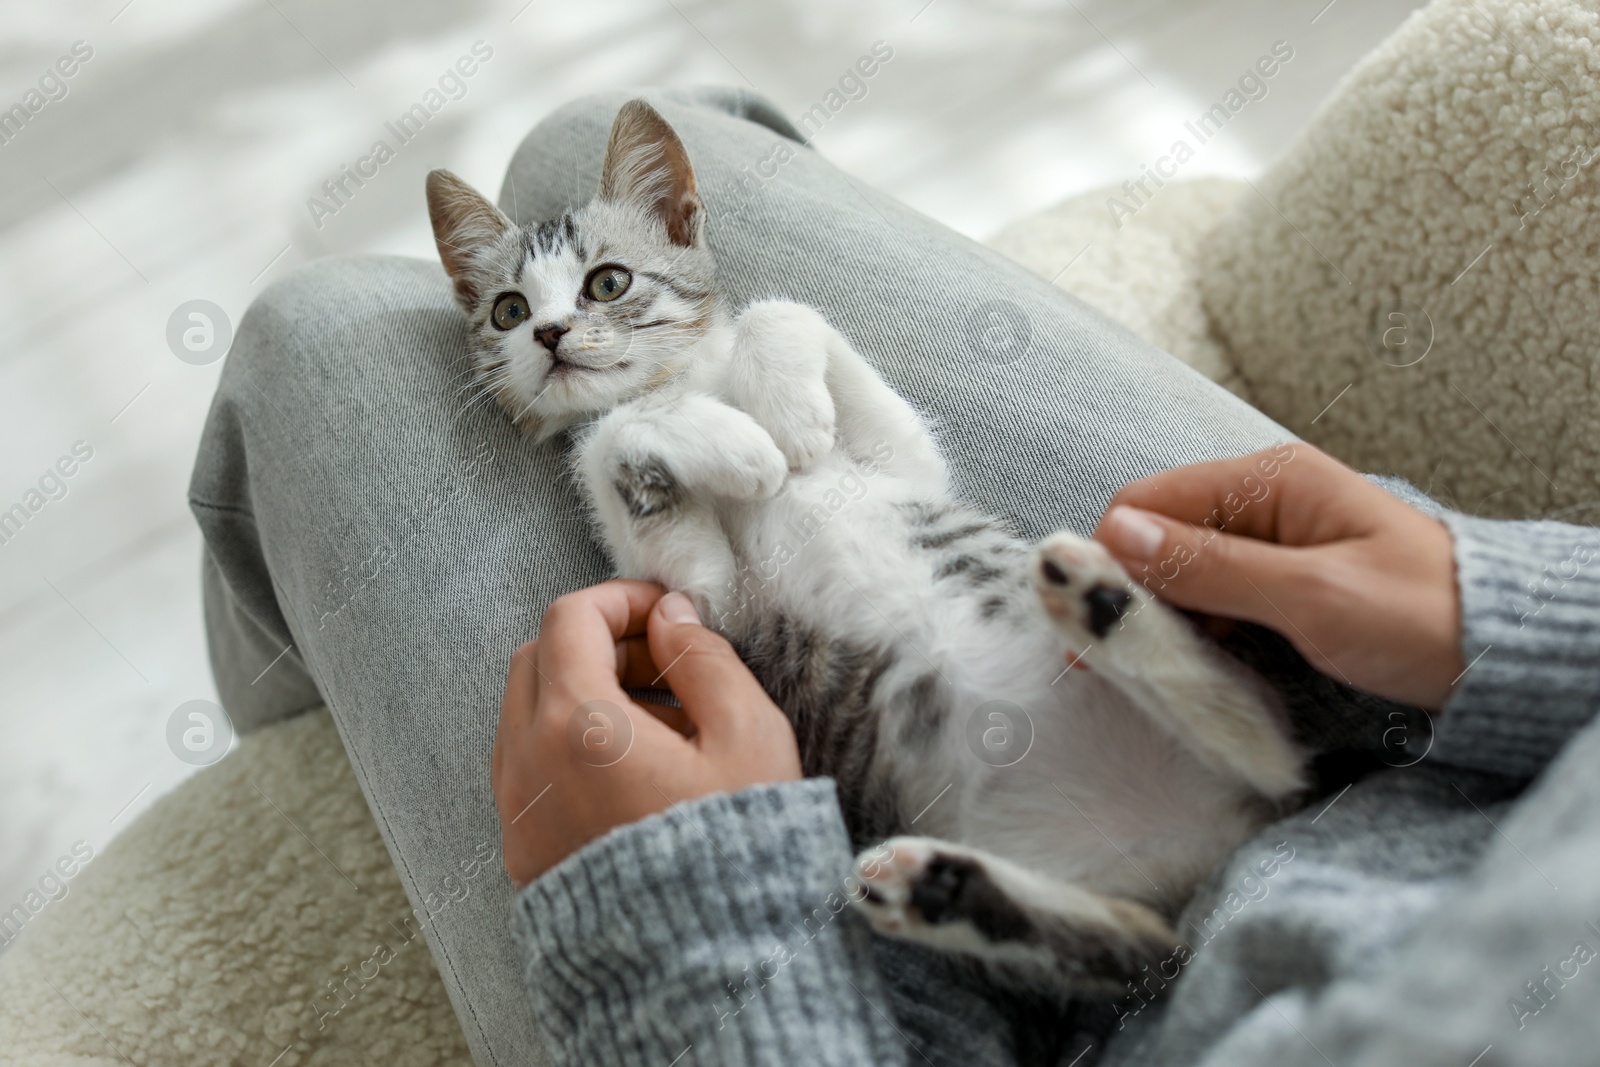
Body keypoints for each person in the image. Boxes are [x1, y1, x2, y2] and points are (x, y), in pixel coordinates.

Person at [193, 88, 1600, 1067]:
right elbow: (829, 518)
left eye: (599, 291)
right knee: (582, 141)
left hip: (1069, 960)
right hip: (1371, 764)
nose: (553, 327)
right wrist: (1509, 612)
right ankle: (323, 700)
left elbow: (704, 603)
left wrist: (691, 917)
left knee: (314, 337)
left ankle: (302, 713)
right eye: (511, 313)